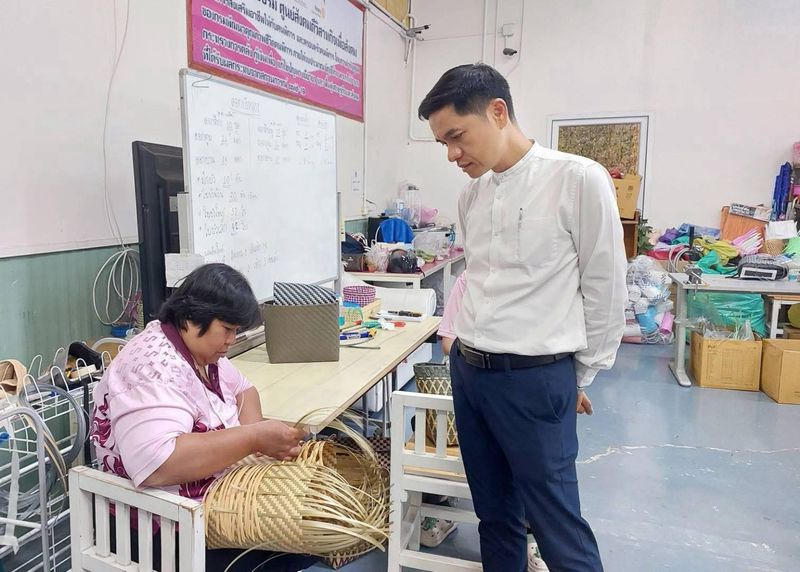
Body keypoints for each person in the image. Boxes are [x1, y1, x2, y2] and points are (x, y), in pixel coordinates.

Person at [418, 64, 627, 571]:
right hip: (470, 373)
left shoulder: (576, 179)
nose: (451, 154)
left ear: (497, 112)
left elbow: (605, 287)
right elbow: (480, 281)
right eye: (443, 143)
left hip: (536, 378)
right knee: (494, 516)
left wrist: (578, 376)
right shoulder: (472, 195)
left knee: (556, 524)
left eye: (457, 136)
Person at [90, 263, 316, 571]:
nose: (232, 340)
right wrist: (251, 439)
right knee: (284, 550)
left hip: (214, 501)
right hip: (160, 525)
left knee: (303, 527)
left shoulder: (200, 352)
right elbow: (157, 465)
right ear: (191, 318)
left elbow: (244, 390)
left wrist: (256, 449)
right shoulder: (152, 368)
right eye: (227, 329)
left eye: (236, 331)